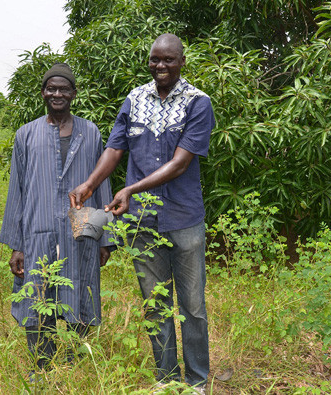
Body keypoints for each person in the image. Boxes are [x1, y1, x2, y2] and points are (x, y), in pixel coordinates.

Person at [69, 33, 215, 392]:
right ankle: (167, 380)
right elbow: (116, 148)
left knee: (192, 306)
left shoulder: (198, 102)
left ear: (182, 62)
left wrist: (132, 189)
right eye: (154, 60)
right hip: (143, 225)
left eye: (168, 60)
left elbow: (181, 163)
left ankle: (196, 381)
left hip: (184, 220)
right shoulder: (134, 99)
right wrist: (89, 184)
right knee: (155, 304)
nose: (160, 66)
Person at [0, 63, 114, 372]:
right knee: (38, 295)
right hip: (38, 231)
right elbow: (17, 191)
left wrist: (105, 238)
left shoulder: (90, 132)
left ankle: (76, 361)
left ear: (74, 94)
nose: (58, 94)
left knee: (81, 291)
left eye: (64, 89)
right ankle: (43, 365)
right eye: (52, 88)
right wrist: (16, 244)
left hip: (81, 229)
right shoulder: (26, 135)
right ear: (43, 93)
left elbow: (100, 184)